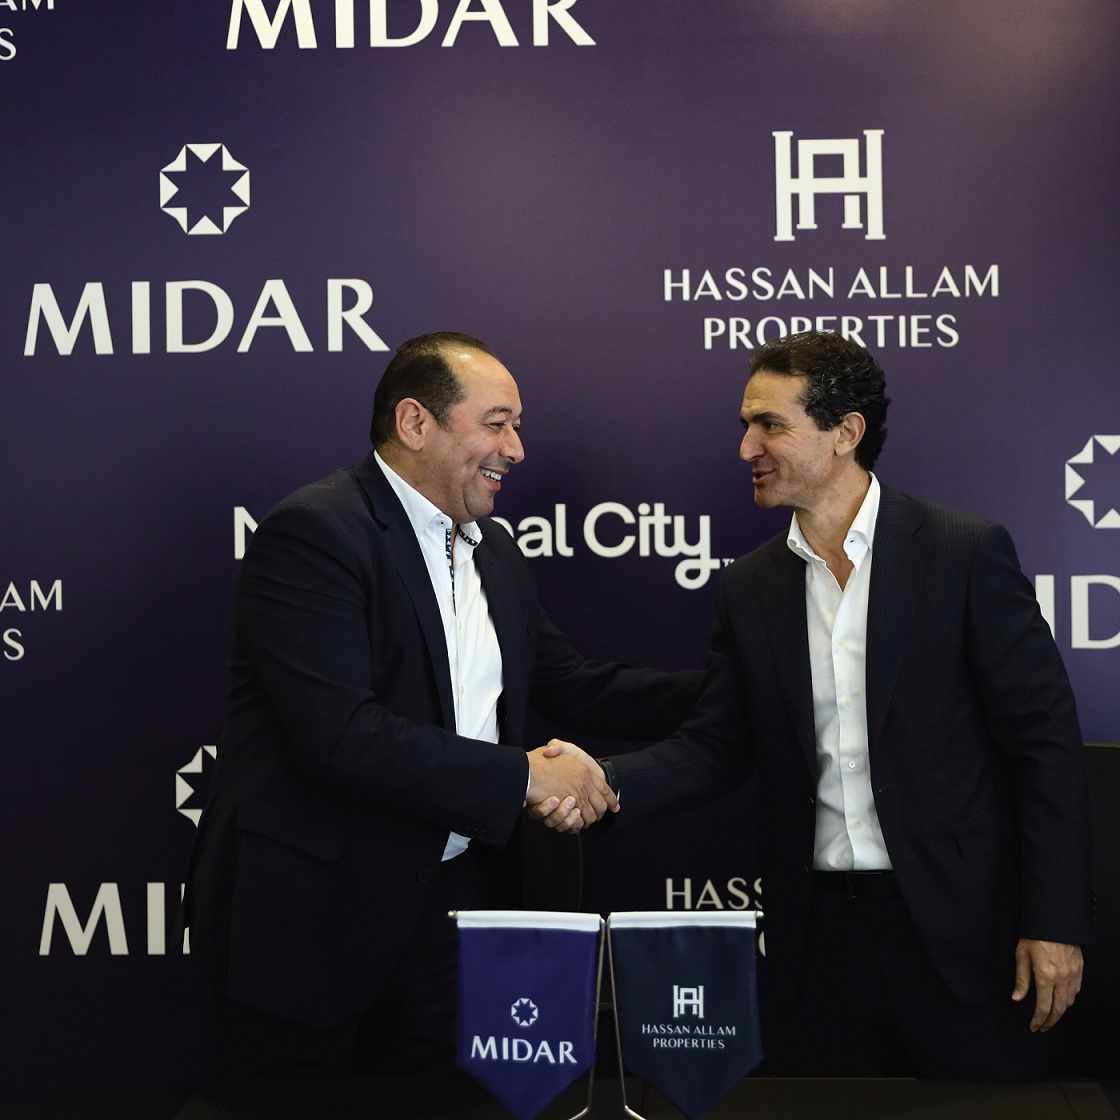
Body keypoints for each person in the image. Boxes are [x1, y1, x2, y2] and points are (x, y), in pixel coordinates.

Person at [539, 331, 1092, 1078]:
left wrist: (1054, 920)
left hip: (964, 933)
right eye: (746, 425)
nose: (747, 448)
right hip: (817, 938)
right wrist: (603, 781)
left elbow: (1044, 746)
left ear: (845, 432)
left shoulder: (962, 554)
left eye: (770, 424)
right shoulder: (751, 587)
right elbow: (715, 745)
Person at [186, 332, 699, 1112]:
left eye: (517, 426)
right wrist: (526, 777)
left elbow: (572, 685)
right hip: (318, 921)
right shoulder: (317, 533)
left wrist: (739, 691)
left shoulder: (493, 550)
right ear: (415, 423)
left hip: (453, 914)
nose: (516, 449)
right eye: (497, 424)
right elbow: (340, 735)